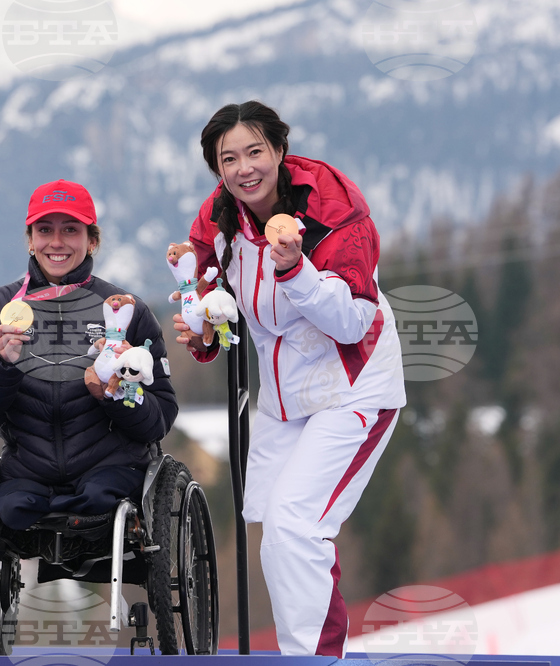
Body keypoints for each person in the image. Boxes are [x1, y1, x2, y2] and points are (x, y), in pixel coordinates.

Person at [175, 101, 406, 657]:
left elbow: (354, 320)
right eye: (228, 159)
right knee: (276, 536)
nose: (243, 168)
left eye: (255, 151)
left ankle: (313, 659)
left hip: (353, 387)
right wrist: (206, 330)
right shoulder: (219, 217)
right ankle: (304, 652)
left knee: (295, 526)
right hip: (284, 401)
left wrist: (293, 267)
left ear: (280, 150)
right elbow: (211, 290)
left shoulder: (333, 207)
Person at [0, 179, 177, 533]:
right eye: (44, 230)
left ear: (93, 240)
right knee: (6, 508)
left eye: (70, 230)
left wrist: (116, 390)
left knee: (100, 498)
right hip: (27, 476)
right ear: (30, 239)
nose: (56, 242)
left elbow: (160, 418)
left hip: (112, 473)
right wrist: (0, 364)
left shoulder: (125, 311)